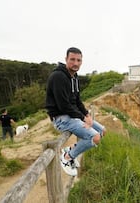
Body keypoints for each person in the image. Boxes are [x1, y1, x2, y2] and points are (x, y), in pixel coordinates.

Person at [45, 47, 106, 176]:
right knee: (94, 137)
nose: (76, 63)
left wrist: (87, 115)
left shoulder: (74, 77)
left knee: (102, 131)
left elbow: (77, 101)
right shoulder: (58, 77)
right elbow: (63, 106)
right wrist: (83, 118)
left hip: (73, 116)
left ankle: (71, 149)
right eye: (72, 59)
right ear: (66, 59)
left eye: (79, 60)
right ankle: (67, 157)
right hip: (61, 118)